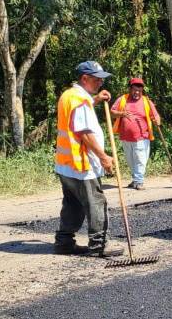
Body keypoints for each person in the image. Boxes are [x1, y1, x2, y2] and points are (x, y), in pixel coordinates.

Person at [54, 61, 123, 258]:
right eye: (97, 79)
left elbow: (77, 115)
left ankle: (64, 242)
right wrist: (103, 157)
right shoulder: (81, 101)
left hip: (66, 164)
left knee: (73, 204)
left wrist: (96, 99)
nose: (101, 83)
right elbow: (84, 132)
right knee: (96, 202)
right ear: (85, 78)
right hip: (81, 164)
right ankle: (98, 245)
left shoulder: (69, 95)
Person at [110, 77, 161, 191]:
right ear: (130, 89)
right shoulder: (122, 99)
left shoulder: (146, 101)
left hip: (142, 136)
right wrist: (122, 113)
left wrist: (157, 121)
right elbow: (112, 112)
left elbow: (156, 116)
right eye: (134, 90)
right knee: (130, 160)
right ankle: (135, 180)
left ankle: (139, 181)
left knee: (140, 159)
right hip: (125, 137)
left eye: (139, 90)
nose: (137, 92)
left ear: (142, 90)